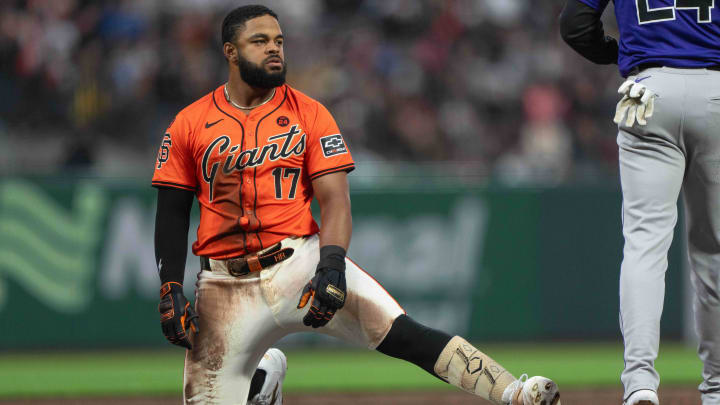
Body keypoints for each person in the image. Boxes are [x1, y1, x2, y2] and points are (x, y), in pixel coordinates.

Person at [152, 5, 561, 405]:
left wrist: (330, 263)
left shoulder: (309, 114)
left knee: (398, 330)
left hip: (298, 262)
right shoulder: (189, 122)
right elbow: (172, 211)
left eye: (279, 40)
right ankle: (263, 380)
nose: (274, 49)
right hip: (225, 286)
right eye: (260, 41)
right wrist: (170, 285)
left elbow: (335, 200)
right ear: (231, 51)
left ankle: (514, 393)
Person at [560, 1, 720, 404]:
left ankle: (640, 384)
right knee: (715, 253)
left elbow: (576, 25)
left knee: (645, 247)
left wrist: (619, 50)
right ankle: (717, 389)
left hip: (648, 90)